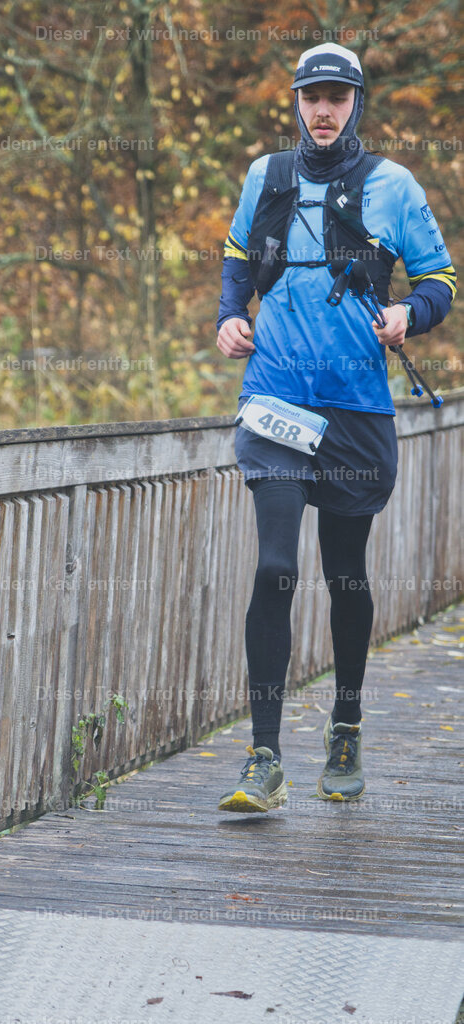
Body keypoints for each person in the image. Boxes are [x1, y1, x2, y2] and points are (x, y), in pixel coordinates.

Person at [215, 42, 456, 812]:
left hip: (355, 405)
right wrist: (229, 315)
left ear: (356, 103)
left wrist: (408, 313)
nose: (323, 111)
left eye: (337, 98)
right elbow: (235, 257)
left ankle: (345, 725)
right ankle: (264, 758)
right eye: (311, 97)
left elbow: (440, 280)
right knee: (274, 569)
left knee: (345, 574)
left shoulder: (394, 184)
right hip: (277, 398)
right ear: (295, 101)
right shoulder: (266, 175)